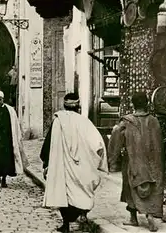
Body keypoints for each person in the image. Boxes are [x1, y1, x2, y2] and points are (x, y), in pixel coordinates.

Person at [40, 93, 108, 233]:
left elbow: (48, 145)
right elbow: (98, 144)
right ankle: (83, 214)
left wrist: (46, 163)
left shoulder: (58, 121)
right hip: (82, 166)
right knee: (83, 190)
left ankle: (65, 225)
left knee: (65, 194)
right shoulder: (85, 122)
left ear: (64, 106)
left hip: (63, 166)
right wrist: (98, 160)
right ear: (78, 107)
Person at [107, 92, 164, 232]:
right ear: (147, 104)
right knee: (152, 185)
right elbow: (159, 143)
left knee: (130, 186)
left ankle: (133, 218)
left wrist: (112, 160)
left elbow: (116, 139)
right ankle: (150, 214)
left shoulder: (126, 122)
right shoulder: (154, 121)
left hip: (133, 160)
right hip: (153, 162)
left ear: (133, 104)